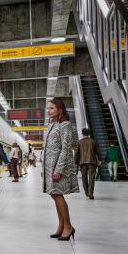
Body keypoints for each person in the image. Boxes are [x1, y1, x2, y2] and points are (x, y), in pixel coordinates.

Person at [43, 99, 79, 241]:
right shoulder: (52, 125)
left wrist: (59, 169)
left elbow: (66, 148)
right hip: (49, 167)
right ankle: (61, 225)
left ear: (60, 110)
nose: (48, 111)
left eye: (51, 108)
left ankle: (68, 227)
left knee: (58, 194)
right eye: (48, 108)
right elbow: (47, 147)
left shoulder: (66, 125)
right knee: (54, 194)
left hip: (58, 166)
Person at [75, 128, 102, 199]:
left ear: (82, 133)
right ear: (89, 134)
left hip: (82, 162)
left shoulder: (79, 142)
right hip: (92, 162)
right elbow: (98, 152)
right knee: (92, 177)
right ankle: (90, 193)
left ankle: (86, 192)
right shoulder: (93, 141)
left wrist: (75, 162)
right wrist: (100, 160)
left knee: (84, 178)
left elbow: (76, 153)